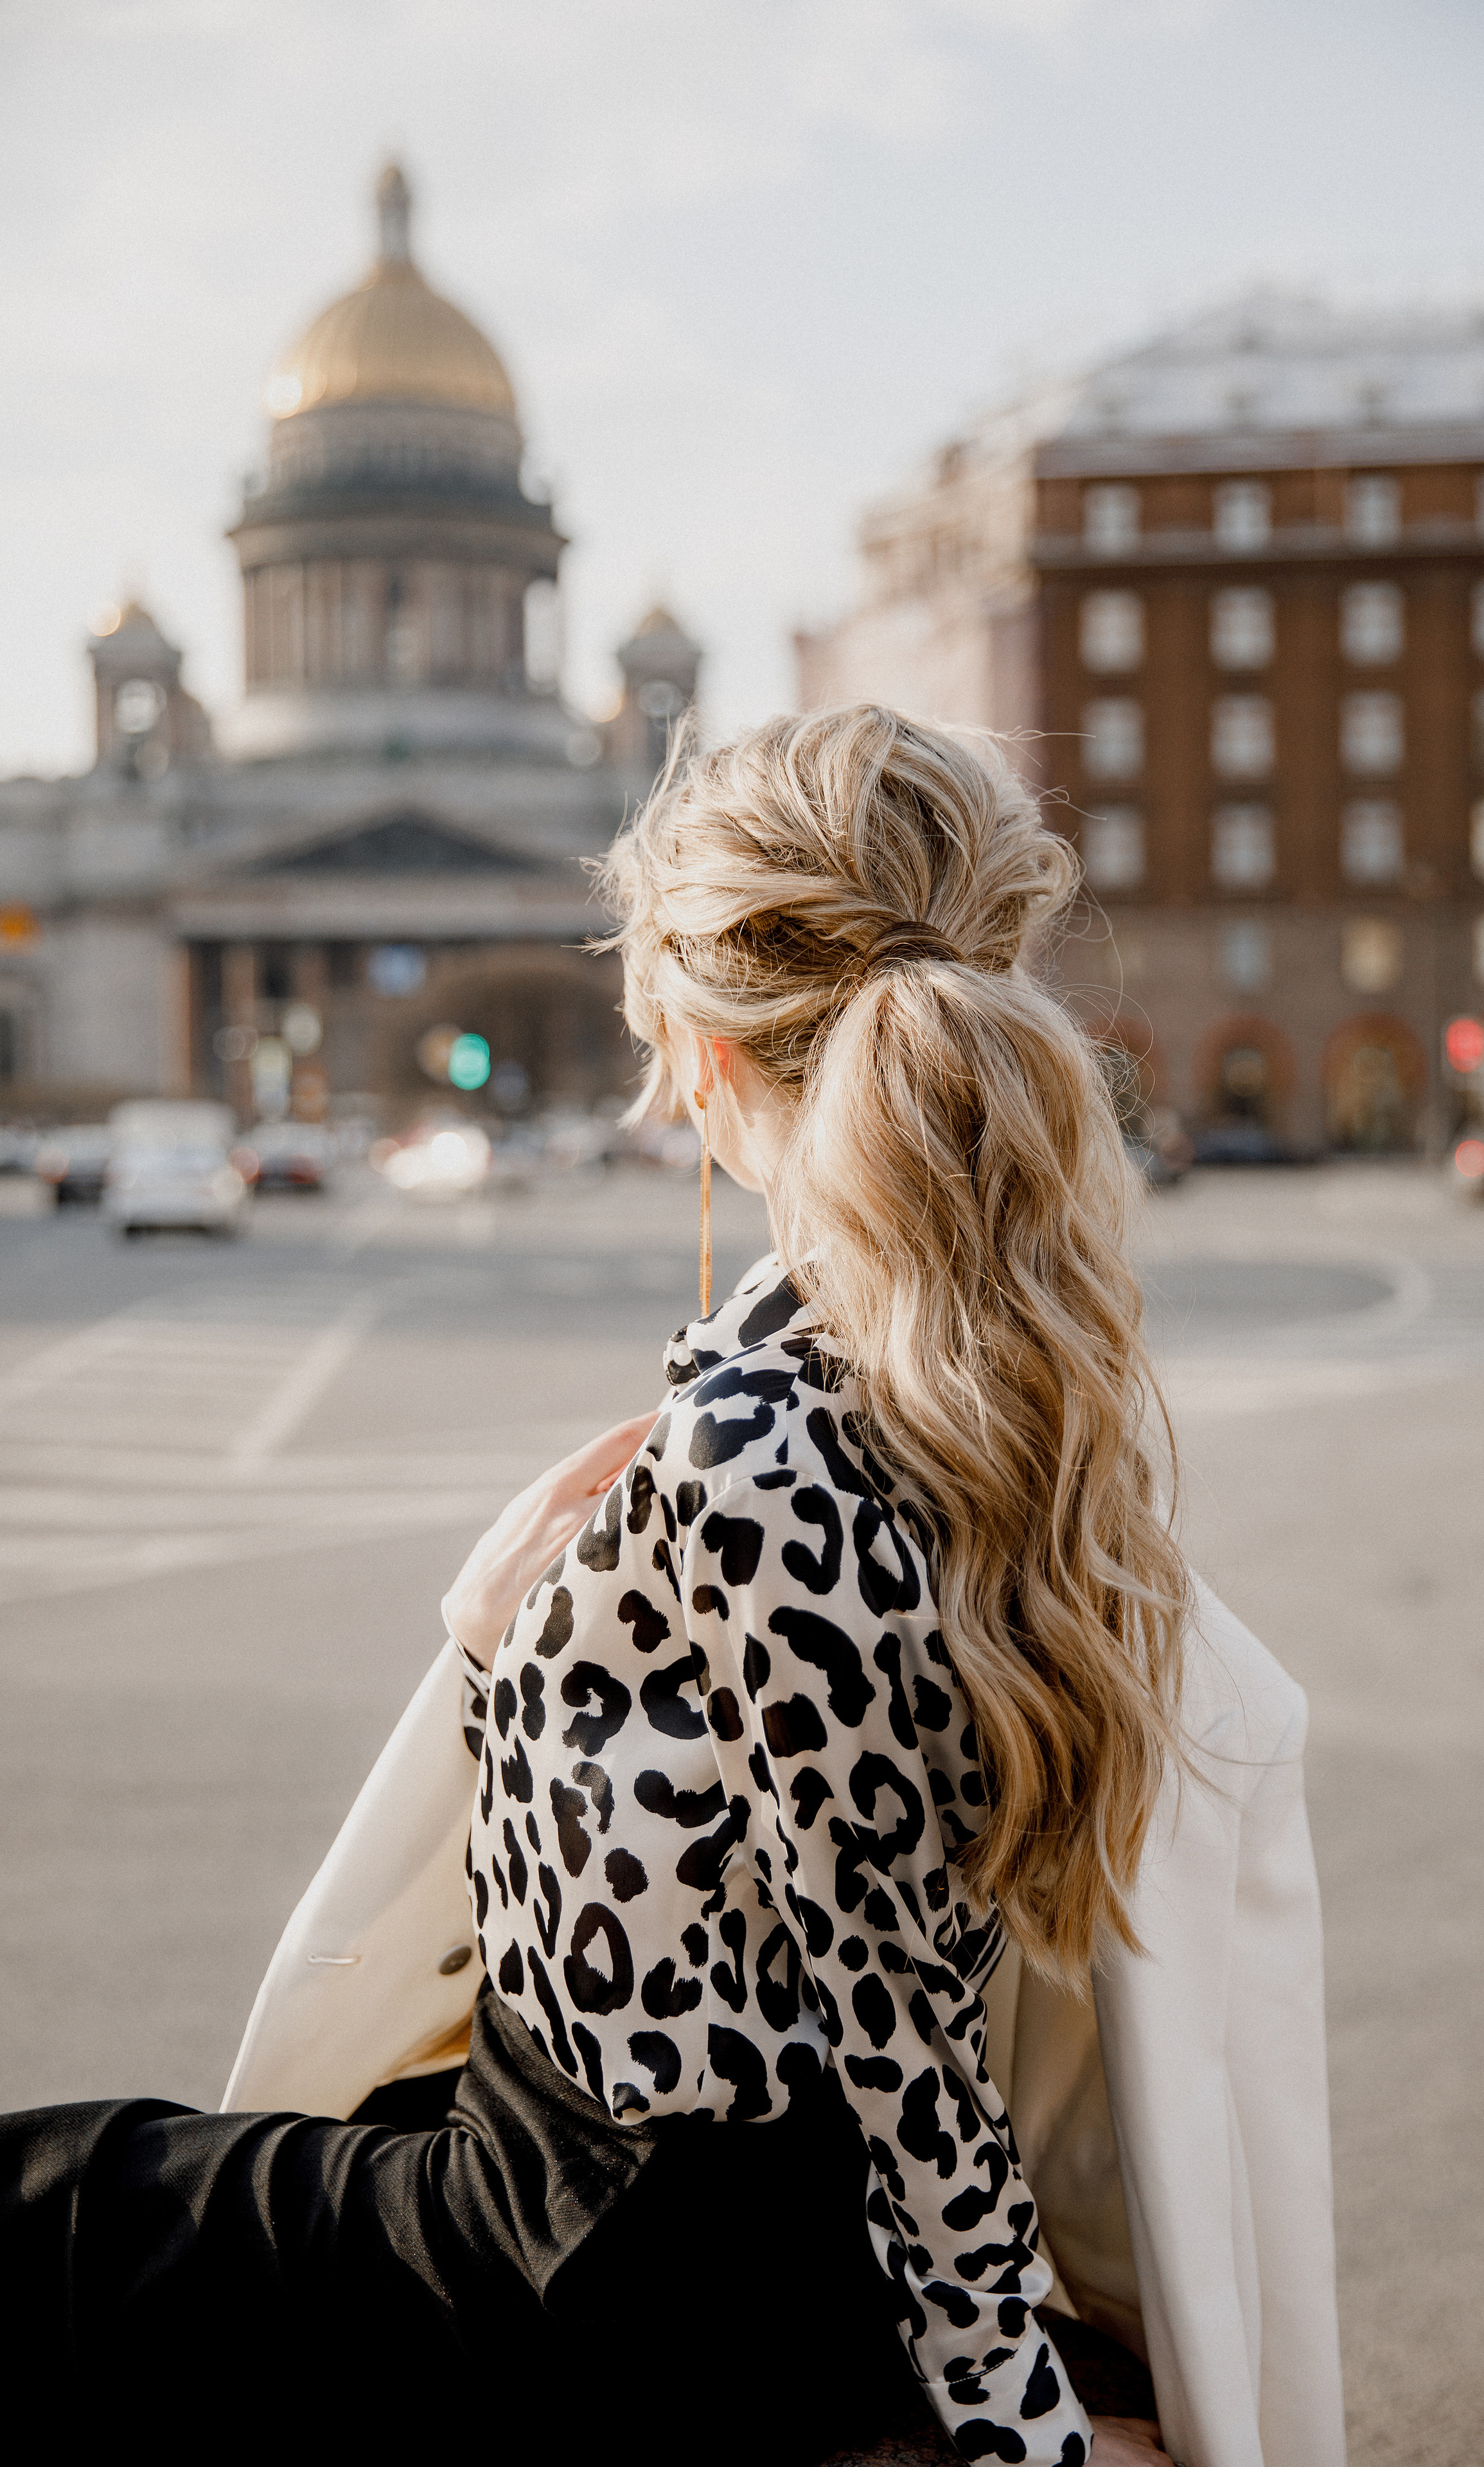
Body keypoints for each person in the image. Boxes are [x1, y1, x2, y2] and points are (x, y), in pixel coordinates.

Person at [0, 708, 1341, 2466]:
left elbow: (904, 2050)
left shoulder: (766, 1456)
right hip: (616, 2195)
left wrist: (1029, 2440)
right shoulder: (946, 1394)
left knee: (59, 2225)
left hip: (590, 2259)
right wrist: (500, 1663)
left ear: (702, 1057)